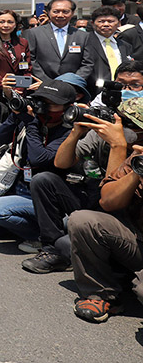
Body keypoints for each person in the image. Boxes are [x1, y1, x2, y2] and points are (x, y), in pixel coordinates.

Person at [0, 80, 77, 247]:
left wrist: (32, 125)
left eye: (51, 104)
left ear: (68, 108)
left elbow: (39, 159)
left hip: (46, 199)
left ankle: (46, 236)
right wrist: (16, 115)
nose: (43, 107)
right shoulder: (33, 119)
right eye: (41, 101)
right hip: (20, 189)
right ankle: (29, 227)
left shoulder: (69, 131)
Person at [67, 98, 143, 323]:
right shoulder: (136, 155)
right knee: (82, 222)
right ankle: (99, 293)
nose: (119, 128)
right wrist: (137, 169)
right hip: (136, 241)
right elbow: (108, 201)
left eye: (128, 124)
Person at [26, 0, 94, 82]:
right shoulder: (33, 33)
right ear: (48, 12)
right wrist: (47, 82)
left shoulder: (83, 36)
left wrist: (73, 81)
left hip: (72, 85)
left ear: (73, 13)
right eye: (56, 11)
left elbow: (87, 63)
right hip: (42, 84)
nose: (60, 15)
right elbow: (31, 60)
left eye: (65, 12)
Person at [84, 6, 134, 93]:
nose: (106, 24)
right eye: (101, 21)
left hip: (120, 92)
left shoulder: (125, 45)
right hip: (92, 93)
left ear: (118, 23)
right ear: (92, 23)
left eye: (111, 21)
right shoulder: (84, 42)